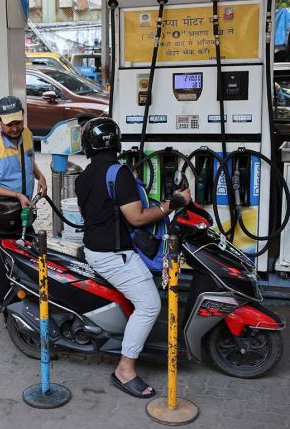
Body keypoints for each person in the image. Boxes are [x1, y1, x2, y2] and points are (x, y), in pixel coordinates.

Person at [75, 118, 191, 399]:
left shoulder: (83, 176)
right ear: (116, 142)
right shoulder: (119, 173)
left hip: (94, 248)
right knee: (150, 305)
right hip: (113, 256)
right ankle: (124, 370)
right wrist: (171, 205)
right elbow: (136, 217)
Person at [0, 96, 48, 304]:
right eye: (9, 124)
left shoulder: (27, 135)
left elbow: (29, 161)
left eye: (18, 122)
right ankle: (10, 310)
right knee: (5, 265)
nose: (15, 128)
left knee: (32, 259)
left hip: (25, 211)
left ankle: (33, 304)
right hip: (1, 214)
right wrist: (17, 195)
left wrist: (40, 176)